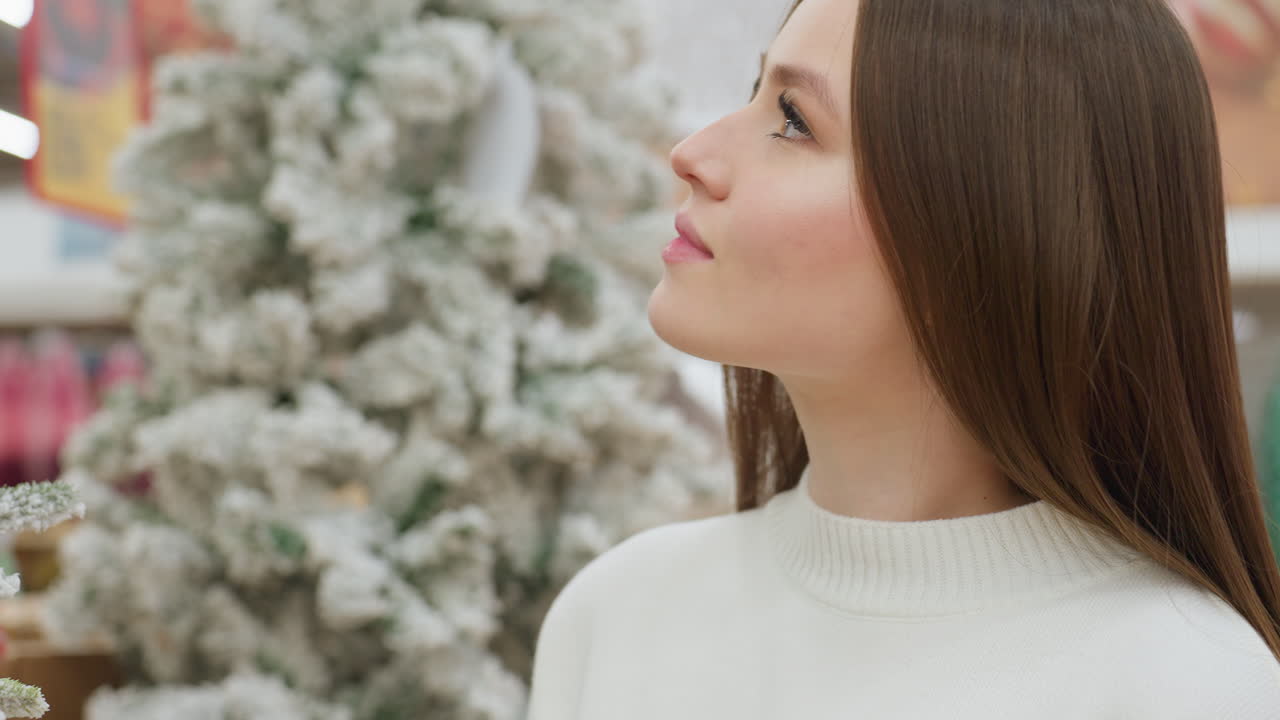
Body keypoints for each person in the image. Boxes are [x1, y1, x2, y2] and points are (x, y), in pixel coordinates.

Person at [524, 0, 1280, 717]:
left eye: (791, 121)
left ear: (989, 226)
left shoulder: (1188, 685)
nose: (692, 155)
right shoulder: (616, 618)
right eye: (755, 92)